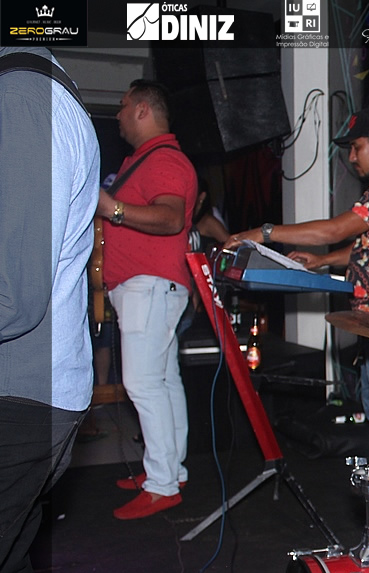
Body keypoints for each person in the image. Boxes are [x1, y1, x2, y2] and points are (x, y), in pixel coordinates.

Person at [0, 46, 100, 573]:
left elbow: (14, 293)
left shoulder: (21, 98)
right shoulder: (34, 97)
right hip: (34, 391)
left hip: (19, 393)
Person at [228, 108, 369, 453]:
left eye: (356, 147)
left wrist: (265, 232)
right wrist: (323, 260)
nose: (352, 157)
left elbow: (333, 230)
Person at [97, 79, 198, 519]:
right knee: (162, 381)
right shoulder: (148, 160)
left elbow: (171, 218)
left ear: (143, 110)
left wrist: (112, 209)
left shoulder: (164, 159)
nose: (118, 115)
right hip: (150, 286)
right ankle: (170, 471)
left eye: (123, 106)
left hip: (149, 285)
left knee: (142, 383)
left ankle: (162, 484)